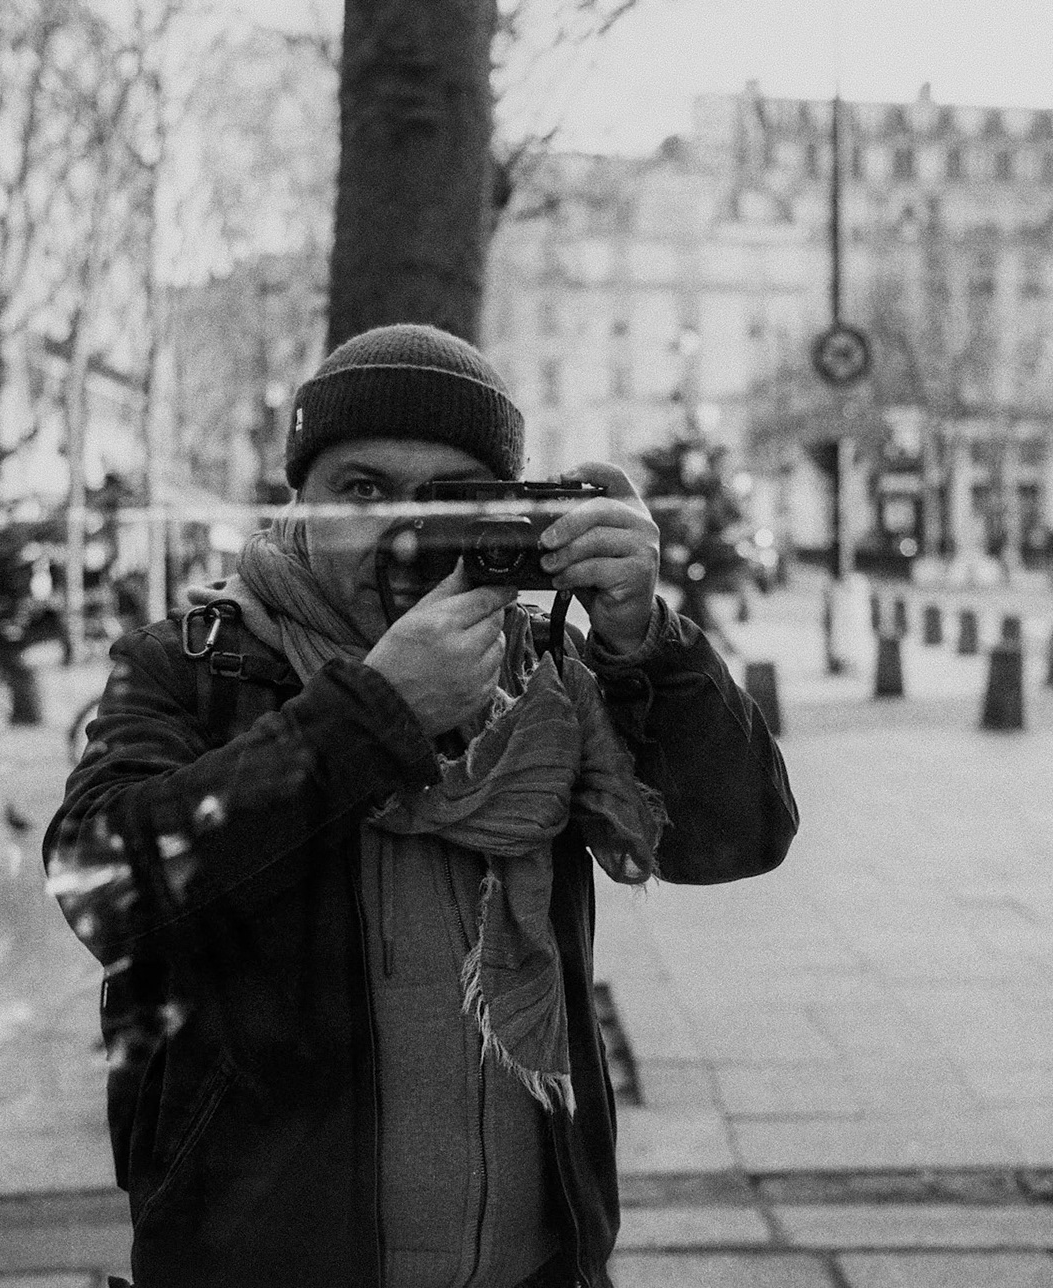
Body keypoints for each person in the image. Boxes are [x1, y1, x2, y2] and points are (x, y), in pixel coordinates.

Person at [44, 323, 796, 1288]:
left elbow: (739, 837)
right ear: (300, 503)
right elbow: (101, 884)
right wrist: (378, 713)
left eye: (449, 496)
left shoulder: (545, 672)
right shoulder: (195, 665)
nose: (402, 530)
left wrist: (646, 640)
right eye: (362, 489)